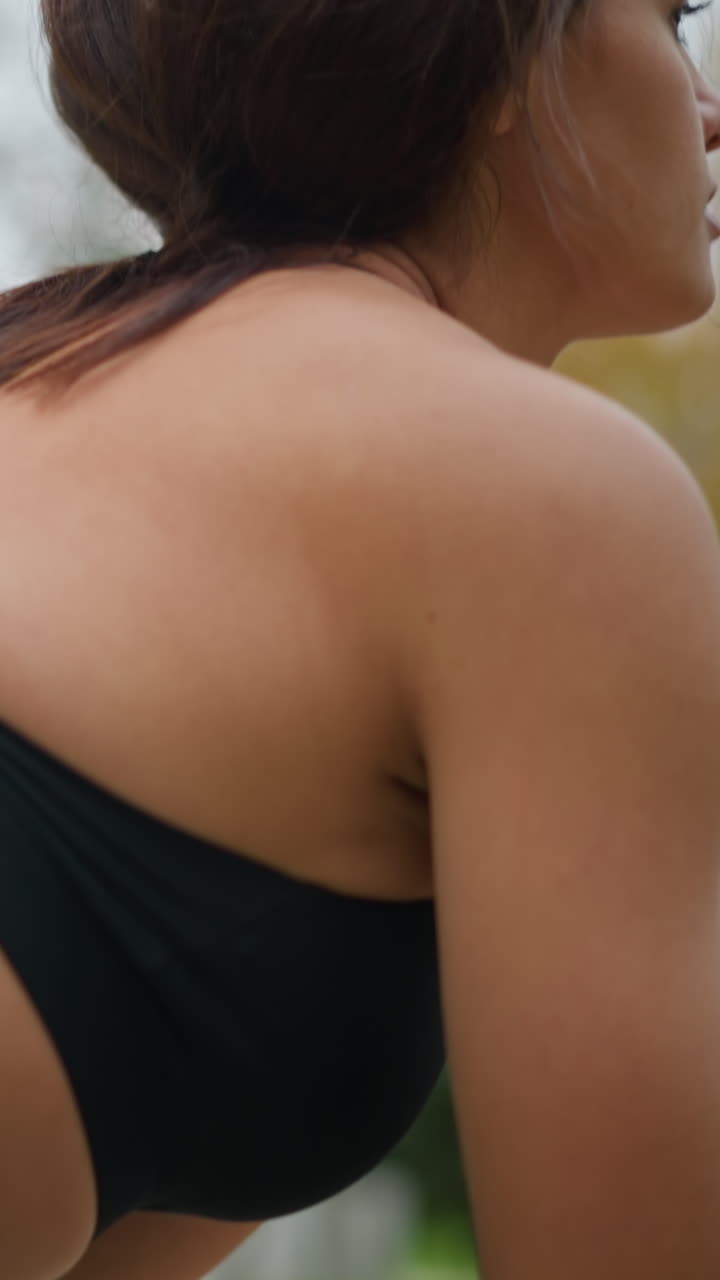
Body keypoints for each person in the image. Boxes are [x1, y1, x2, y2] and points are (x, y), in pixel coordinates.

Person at [1, 0, 720, 1276]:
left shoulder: (44, 358)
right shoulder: (541, 494)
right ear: (506, 55)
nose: (710, 106)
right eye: (677, 18)